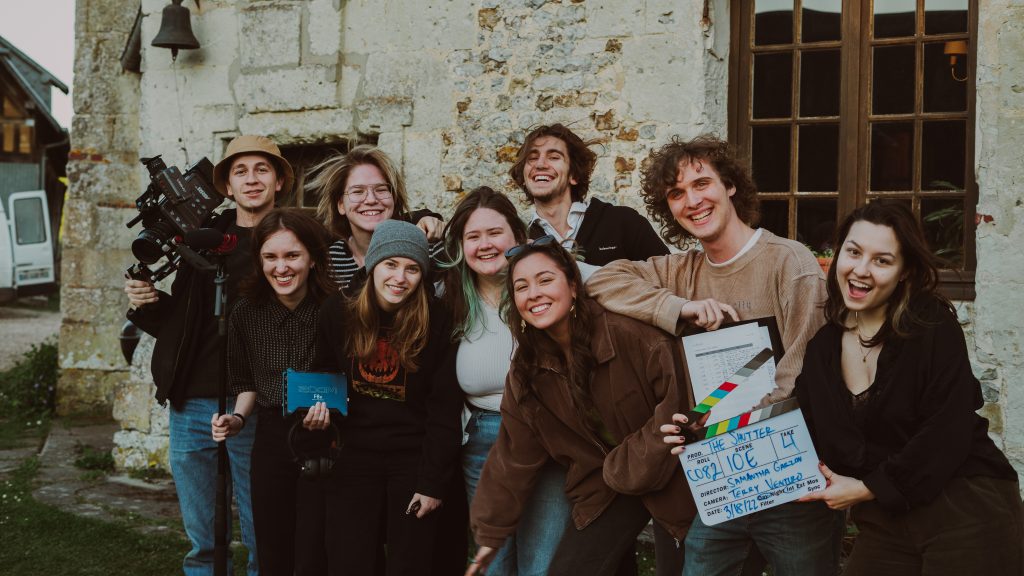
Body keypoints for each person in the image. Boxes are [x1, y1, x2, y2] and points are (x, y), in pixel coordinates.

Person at [587, 134, 843, 576]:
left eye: (702, 183)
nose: (692, 201)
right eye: (676, 193)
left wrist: (737, 430)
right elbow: (602, 282)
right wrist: (678, 307)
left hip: (790, 477)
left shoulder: (790, 262)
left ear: (730, 187)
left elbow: (803, 369)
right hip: (719, 484)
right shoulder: (680, 271)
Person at [791, 201, 1022, 574]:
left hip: (965, 505)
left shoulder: (930, 326)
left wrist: (868, 488)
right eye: (853, 252)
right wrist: (701, 434)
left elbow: (948, 430)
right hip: (886, 518)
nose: (860, 270)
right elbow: (800, 429)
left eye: (882, 260)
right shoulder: (821, 350)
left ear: (904, 272)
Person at [466, 239, 691, 576]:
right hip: (605, 486)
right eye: (521, 287)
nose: (534, 294)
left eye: (545, 280)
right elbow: (513, 456)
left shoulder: (629, 335)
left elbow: (678, 405)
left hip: (670, 472)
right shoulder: (527, 370)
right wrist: (490, 532)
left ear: (572, 285)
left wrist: (627, 464)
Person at [125, 135, 294, 575]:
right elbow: (182, 320)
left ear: (278, 181)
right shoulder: (204, 236)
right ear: (227, 185)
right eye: (241, 171)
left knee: (264, 533)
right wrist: (148, 302)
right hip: (192, 397)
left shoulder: (290, 242)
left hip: (255, 401)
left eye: (262, 169)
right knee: (202, 539)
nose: (252, 179)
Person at [306, 219, 462, 575]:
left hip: (413, 458)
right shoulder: (338, 312)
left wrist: (432, 483)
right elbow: (323, 372)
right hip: (354, 456)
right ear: (373, 265)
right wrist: (316, 413)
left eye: (411, 269)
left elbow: (444, 409)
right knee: (350, 558)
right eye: (391, 264)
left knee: (412, 561)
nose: (400, 277)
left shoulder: (437, 321)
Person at [438, 186, 572, 575]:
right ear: (461, 246)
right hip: (483, 439)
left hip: (547, 434)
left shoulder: (548, 283)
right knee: (493, 562)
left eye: (494, 233)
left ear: (517, 236)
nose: (484, 245)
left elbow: (618, 281)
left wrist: (678, 308)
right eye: (472, 236)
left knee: (542, 563)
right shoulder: (447, 299)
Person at [209, 208, 336, 575]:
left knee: (317, 549)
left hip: (328, 437)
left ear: (313, 258)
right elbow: (245, 382)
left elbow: (351, 380)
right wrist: (236, 418)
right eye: (271, 257)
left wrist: (329, 408)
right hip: (270, 435)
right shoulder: (245, 313)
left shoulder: (338, 310)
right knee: (272, 545)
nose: (281, 267)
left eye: (292, 255)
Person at [511, 123, 669, 264]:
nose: (540, 164)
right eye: (532, 158)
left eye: (553, 157)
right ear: (524, 177)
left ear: (574, 175)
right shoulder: (518, 242)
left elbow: (670, 279)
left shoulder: (623, 222)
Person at [309, 144, 443, 290]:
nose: (371, 200)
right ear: (341, 205)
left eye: (381, 190)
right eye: (358, 191)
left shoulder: (429, 249)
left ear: (394, 198)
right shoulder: (329, 263)